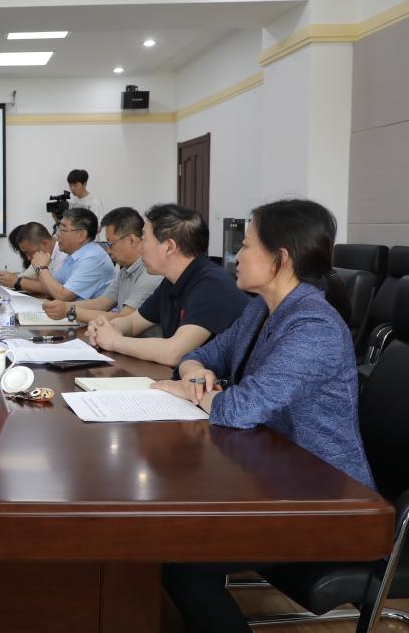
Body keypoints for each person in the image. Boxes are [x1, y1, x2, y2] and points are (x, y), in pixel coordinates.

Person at [154, 198, 373, 633]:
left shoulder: (313, 327)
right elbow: (201, 355)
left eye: (247, 245)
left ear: (280, 259)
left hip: (328, 500)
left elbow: (239, 408)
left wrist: (190, 390)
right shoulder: (260, 308)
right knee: (170, 532)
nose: (235, 255)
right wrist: (195, 376)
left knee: (181, 560)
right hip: (274, 478)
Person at [86, 204, 249, 367]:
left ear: (169, 247)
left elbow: (174, 353)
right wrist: (106, 328)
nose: (140, 248)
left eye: (144, 239)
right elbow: (134, 323)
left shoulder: (211, 285)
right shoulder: (171, 281)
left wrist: (114, 341)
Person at [42, 207, 162, 325]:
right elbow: (101, 303)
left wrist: (70, 310)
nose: (108, 251)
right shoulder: (125, 270)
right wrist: (64, 306)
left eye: (111, 244)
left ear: (131, 240)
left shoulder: (150, 274)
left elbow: (125, 319)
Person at [33, 207, 116, 302]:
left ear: (81, 235)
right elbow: (52, 288)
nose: (57, 235)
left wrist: (41, 268)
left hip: (95, 311)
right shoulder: (73, 255)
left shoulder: (93, 258)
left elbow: (63, 296)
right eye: (58, 229)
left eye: (63, 230)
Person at [0, 222, 66, 293]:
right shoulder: (45, 254)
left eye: (28, 252)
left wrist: (17, 282)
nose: (28, 258)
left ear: (44, 243)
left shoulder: (65, 255)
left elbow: (59, 289)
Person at [66, 169, 104, 239]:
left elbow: (98, 228)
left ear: (84, 184)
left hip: (89, 242)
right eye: (70, 185)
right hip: (74, 241)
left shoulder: (95, 202)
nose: (72, 189)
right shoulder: (71, 201)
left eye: (75, 185)